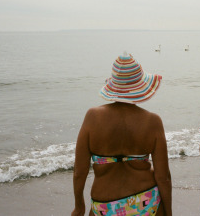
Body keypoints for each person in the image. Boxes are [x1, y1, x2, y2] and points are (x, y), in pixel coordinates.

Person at [71, 53, 172, 216]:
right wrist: (169, 212)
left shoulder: (92, 117)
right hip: (146, 201)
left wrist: (79, 206)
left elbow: (79, 172)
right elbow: (163, 177)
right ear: (141, 86)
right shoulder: (152, 121)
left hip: (104, 206)